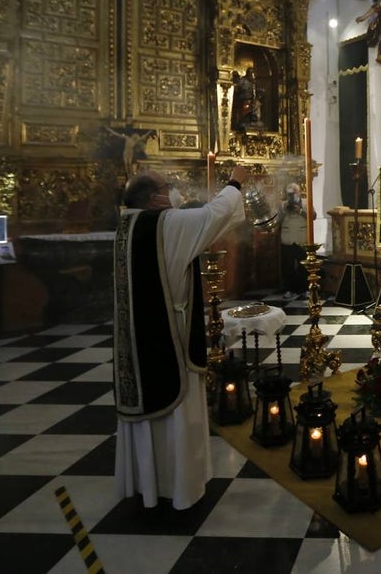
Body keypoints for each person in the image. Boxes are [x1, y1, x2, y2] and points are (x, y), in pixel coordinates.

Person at [114, 165, 248, 510]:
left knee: (149, 412)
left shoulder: (128, 225)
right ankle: (179, 488)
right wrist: (235, 183)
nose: (171, 192)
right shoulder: (165, 225)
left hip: (136, 338)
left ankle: (145, 484)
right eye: (166, 187)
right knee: (176, 410)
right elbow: (214, 215)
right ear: (153, 197)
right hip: (167, 337)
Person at [279, 182, 311, 299]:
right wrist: (284, 211)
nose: (292, 196)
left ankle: (304, 289)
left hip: (301, 239)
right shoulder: (283, 205)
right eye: (289, 194)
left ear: (299, 192)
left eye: (294, 193)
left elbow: (313, 216)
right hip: (287, 240)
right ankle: (289, 289)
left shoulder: (307, 202)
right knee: (287, 267)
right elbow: (278, 220)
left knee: (304, 266)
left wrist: (300, 211)